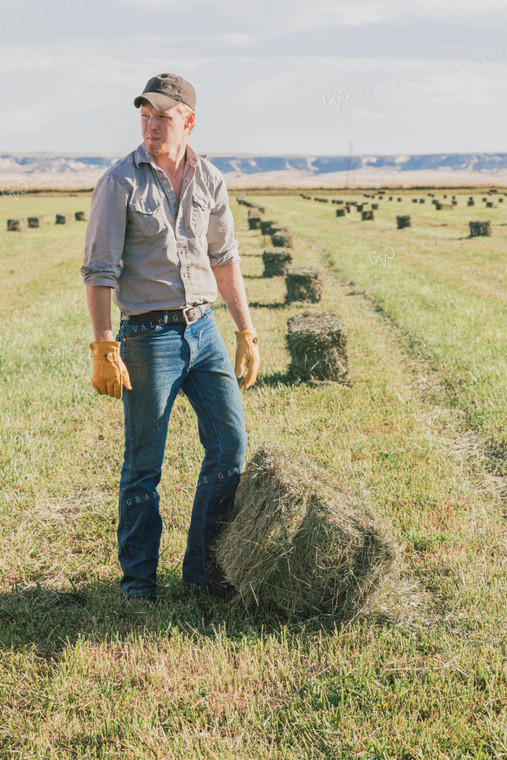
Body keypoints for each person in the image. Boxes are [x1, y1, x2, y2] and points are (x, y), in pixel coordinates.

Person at [80, 72, 260, 603]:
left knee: (229, 447)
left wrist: (245, 330)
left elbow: (225, 261)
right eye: (145, 114)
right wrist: (103, 344)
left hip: (202, 331)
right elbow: (98, 271)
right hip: (146, 338)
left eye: (162, 115)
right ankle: (138, 583)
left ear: (188, 120)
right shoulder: (119, 182)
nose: (151, 124)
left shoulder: (209, 179)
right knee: (144, 464)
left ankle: (204, 573)